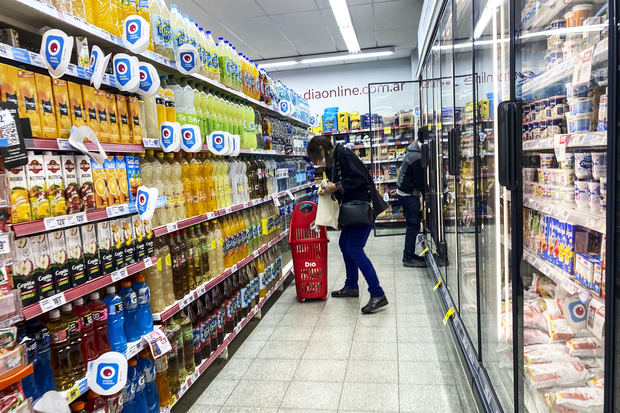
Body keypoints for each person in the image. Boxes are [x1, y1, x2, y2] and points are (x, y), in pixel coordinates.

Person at [307, 135, 388, 314]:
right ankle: (351, 285)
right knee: (344, 244)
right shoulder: (333, 160)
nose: (317, 162)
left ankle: (377, 293)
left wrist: (335, 186)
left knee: (354, 248)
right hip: (352, 211)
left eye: (316, 157)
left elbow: (362, 178)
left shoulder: (343, 154)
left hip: (362, 210)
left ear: (321, 149)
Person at [397, 134, 426, 267]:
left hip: (406, 192)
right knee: (413, 225)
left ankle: (409, 254)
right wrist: (427, 194)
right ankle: (408, 257)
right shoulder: (416, 157)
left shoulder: (415, 150)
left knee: (412, 224)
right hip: (407, 194)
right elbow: (420, 182)